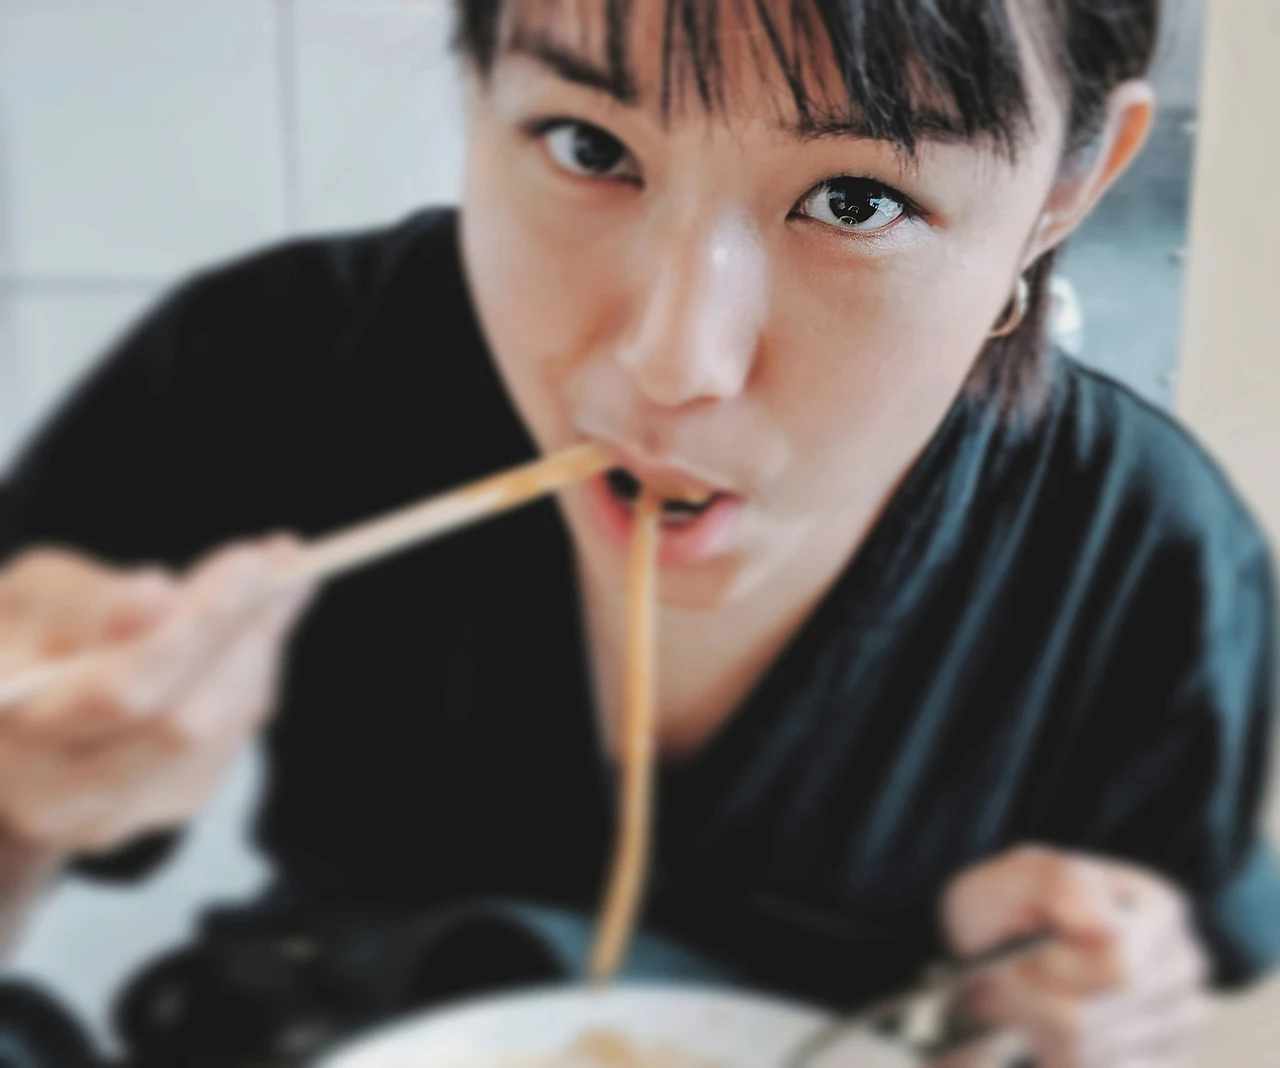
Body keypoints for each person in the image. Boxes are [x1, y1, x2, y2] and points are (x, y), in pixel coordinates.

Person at [0, 0, 1276, 1064]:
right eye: (587, 144)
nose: (671, 362)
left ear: (1064, 189)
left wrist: (1085, 993)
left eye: (854, 199)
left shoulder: (1140, 557)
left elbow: (1146, 958)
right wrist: (21, 795)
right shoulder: (276, 364)